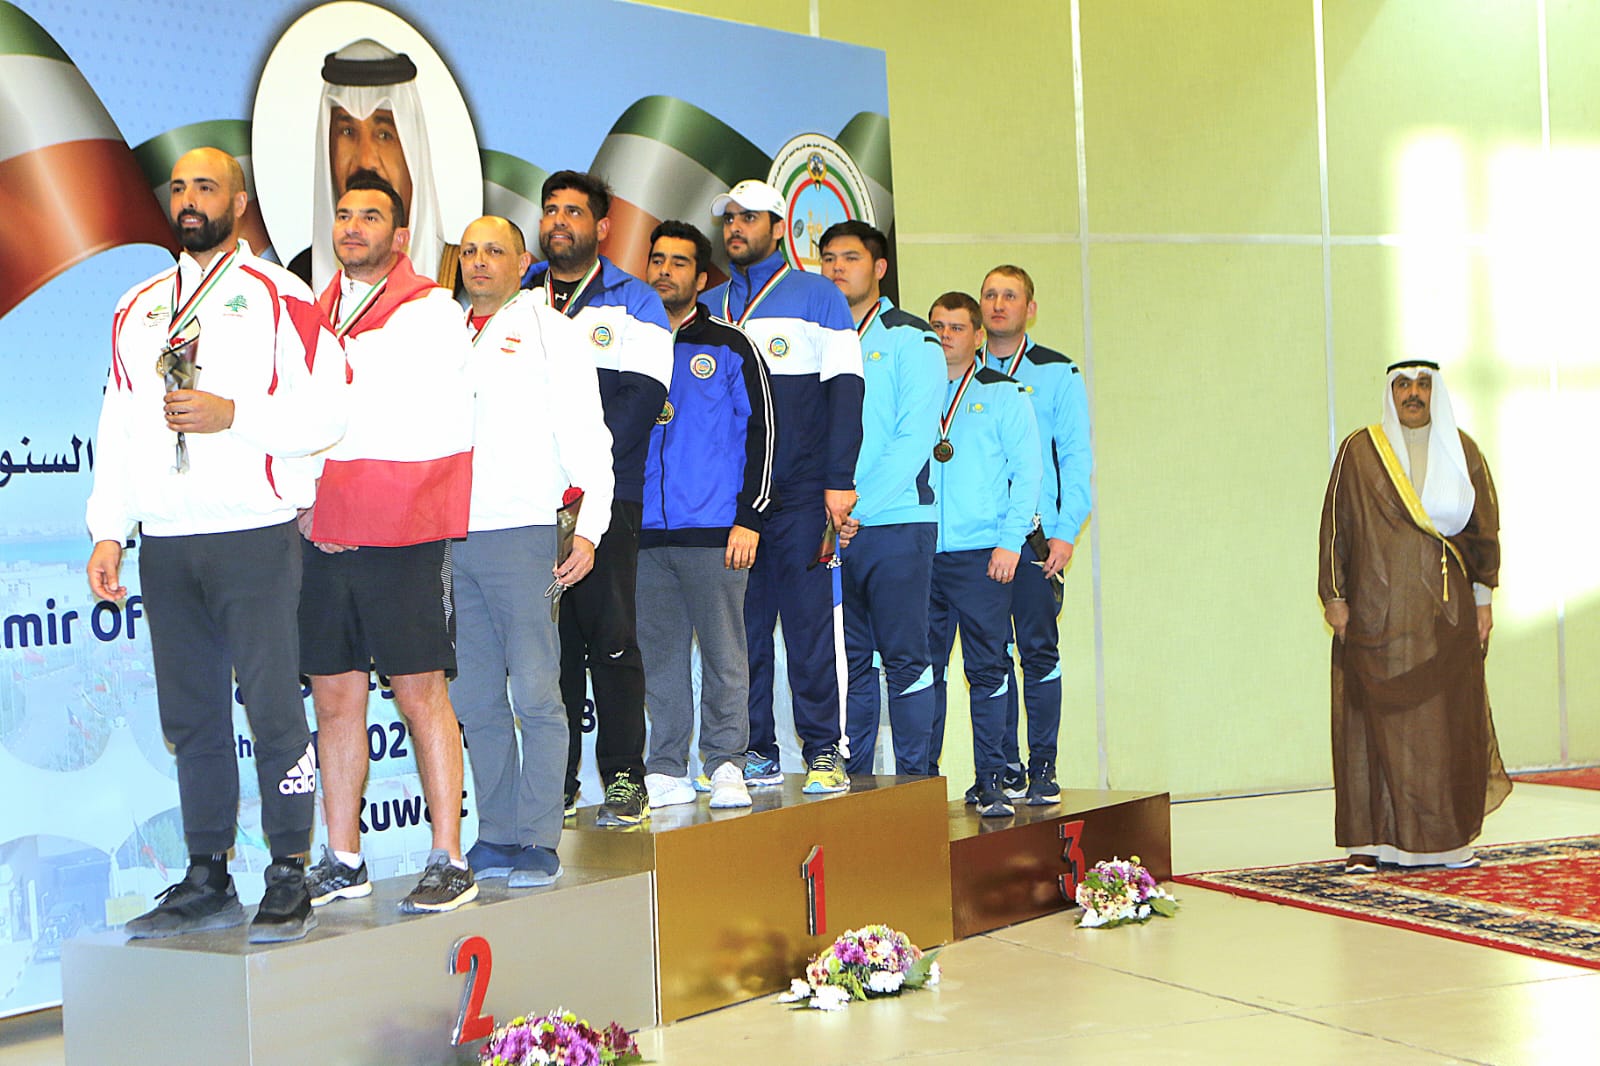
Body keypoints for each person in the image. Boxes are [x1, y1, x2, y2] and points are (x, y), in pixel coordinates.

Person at [86, 147, 346, 942]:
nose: (189, 199)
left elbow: (330, 411)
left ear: (238, 203)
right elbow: (119, 425)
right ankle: (207, 875)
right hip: (167, 541)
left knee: (273, 708)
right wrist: (108, 529)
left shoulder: (279, 295)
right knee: (191, 716)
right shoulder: (136, 306)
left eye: (207, 186)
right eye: (179, 187)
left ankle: (290, 869)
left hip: (252, 535)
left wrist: (235, 414)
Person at [299, 175, 478, 914]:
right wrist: (311, 503)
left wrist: (354, 509)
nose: (352, 226)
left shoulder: (431, 311)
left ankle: (449, 858)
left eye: (369, 216)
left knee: (419, 693)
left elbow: (410, 419)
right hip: (322, 530)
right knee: (335, 697)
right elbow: (304, 417)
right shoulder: (314, 310)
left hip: (398, 530)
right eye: (343, 215)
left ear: (400, 236)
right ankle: (344, 858)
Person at [452, 216, 614, 886]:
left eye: (495, 250)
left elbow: (589, 435)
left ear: (523, 263)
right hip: (451, 538)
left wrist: (590, 528)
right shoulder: (443, 333)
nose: (479, 261)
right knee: (475, 698)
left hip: (524, 533)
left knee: (538, 694)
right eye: (469, 251)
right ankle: (496, 834)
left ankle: (541, 838)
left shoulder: (552, 330)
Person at [521, 170, 673, 827]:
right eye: (551, 210)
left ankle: (624, 780)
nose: (559, 221)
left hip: (606, 498)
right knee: (547, 649)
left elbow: (640, 401)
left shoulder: (637, 302)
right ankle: (555, 783)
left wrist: (579, 473)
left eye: (574, 212)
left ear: (603, 227)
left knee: (611, 642)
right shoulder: (520, 296)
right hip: (527, 505)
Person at [704, 180, 864, 794]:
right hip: (735, 502)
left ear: (778, 228)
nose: (736, 227)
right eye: (729, 219)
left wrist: (839, 481)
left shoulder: (819, 296)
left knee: (807, 627)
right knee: (741, 633)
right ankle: (756, 750)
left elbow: (846, 392)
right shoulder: (710, 305)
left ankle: (824, 751)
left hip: (801, 494)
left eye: (749, 218)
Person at [1319, 360, 1509, 872]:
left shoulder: (1463, 451)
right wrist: (1335, 596)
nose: (1413, 394)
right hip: (1374, 613)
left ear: (1435, 391)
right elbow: (1336, 526)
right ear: (1391, 391)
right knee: (1368, 727)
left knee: (1445, 728)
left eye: (1423, 384)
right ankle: (1371, 843)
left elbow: (1483, 531)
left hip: (1446, 617)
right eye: (1404, 384)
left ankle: (1446, 842)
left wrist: (1483, 598)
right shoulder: (1361, 451)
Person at [638, 221, 777, 812]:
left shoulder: (730, 345)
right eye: (657, 260)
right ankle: (667, 768)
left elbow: (765, 432)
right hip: (644, 533)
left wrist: (750, 517)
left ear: (701, 278)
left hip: (717, 530)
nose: (665, 271)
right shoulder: (629, 341)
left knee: (724, 654)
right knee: (660, 658)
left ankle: (725, 763)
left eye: (679, 263)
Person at [821, 221, 944, 778]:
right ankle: (857, 784)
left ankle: (914, 782)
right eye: (828, 258)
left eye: (850, 257)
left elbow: (913, 439)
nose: (836, 267)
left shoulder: (911, 338)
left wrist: (856, 507)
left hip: (894, 523)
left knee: (905, 659)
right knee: (850, 663)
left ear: (879, 268)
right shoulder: (820, 338)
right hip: (833, 528)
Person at [977, 265, 1091, 806]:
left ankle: (1044, 766)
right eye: (990, 295)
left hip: (1034, 538)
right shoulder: (961, 372)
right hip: (977, 539)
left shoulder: (1057, 372)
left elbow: (1076, 458)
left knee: (1038, 653)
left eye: (1010, 295)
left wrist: (1065, 534)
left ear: (1030, 308)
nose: (998, 304)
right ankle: (1005, 767)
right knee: (989, 657)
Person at [925, 292, 1041, 817]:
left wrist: (1010, 542)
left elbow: (1028, 473)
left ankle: (991, 779)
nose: (945, 336)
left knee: (988, 669)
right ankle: (920, 782)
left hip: (983, 556)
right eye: (937, 326)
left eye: (956, 327)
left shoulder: (1004, 393)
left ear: (977, 337)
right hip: (921, 552)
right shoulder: (915, 392)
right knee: (922, 673)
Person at [294, 38, 460, 290]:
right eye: (347, 132)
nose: (366, 161)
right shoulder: (298, 280)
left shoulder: (463, 279)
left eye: (384, 135)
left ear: (411, 150)